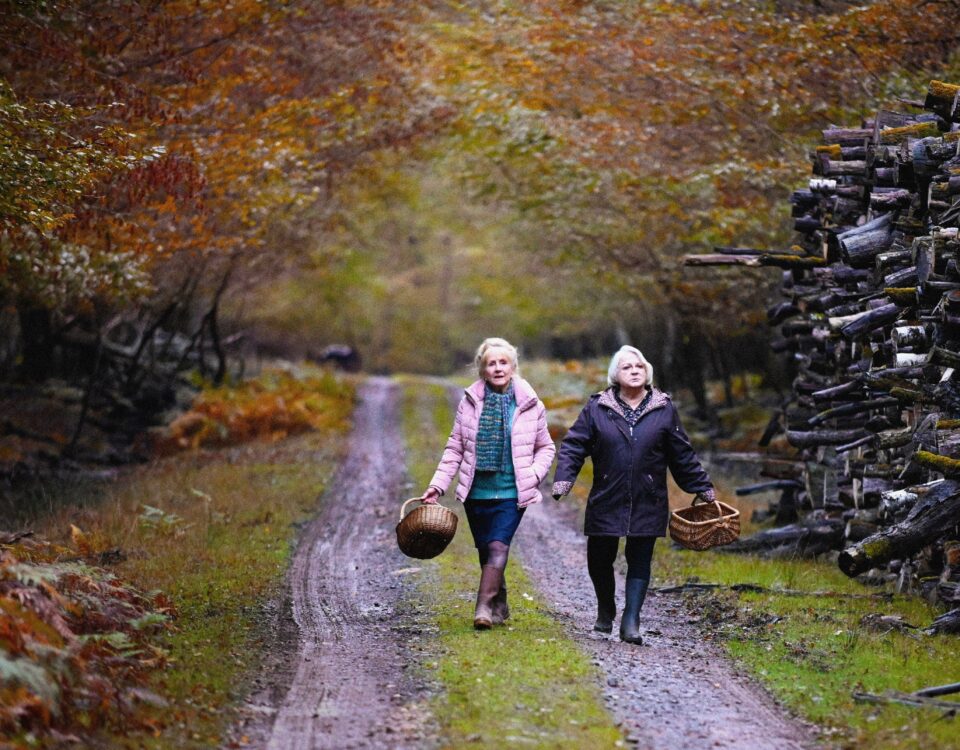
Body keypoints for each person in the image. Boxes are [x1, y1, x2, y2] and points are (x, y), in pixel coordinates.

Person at [551, 345, 715, 645]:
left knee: (640, 557)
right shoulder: (598, 407)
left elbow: (682, 453)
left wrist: (702, 487)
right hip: (607, 493)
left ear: (647, 371)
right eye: (627, 367)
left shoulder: (664, 408)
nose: (635, 370)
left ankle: (631, 620)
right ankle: (606, 607)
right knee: (599, 558)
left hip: (648, 496)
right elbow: (575, 445)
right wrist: (564, 479)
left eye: (640, 366)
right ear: (616, 374)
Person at [421, 337, 556, 629]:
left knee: (498, 547)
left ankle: (482, 607)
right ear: (482, 370)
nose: (497, 368)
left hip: (512, 490)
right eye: (491, 363)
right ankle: (500, 601)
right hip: (476, 491)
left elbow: (546, 447)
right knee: (486, 550)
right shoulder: (469, 403)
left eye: (503, 362)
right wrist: (438, 485)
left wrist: (533, 475)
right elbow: (455, 447)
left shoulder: (530, 404)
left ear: (513, 367)